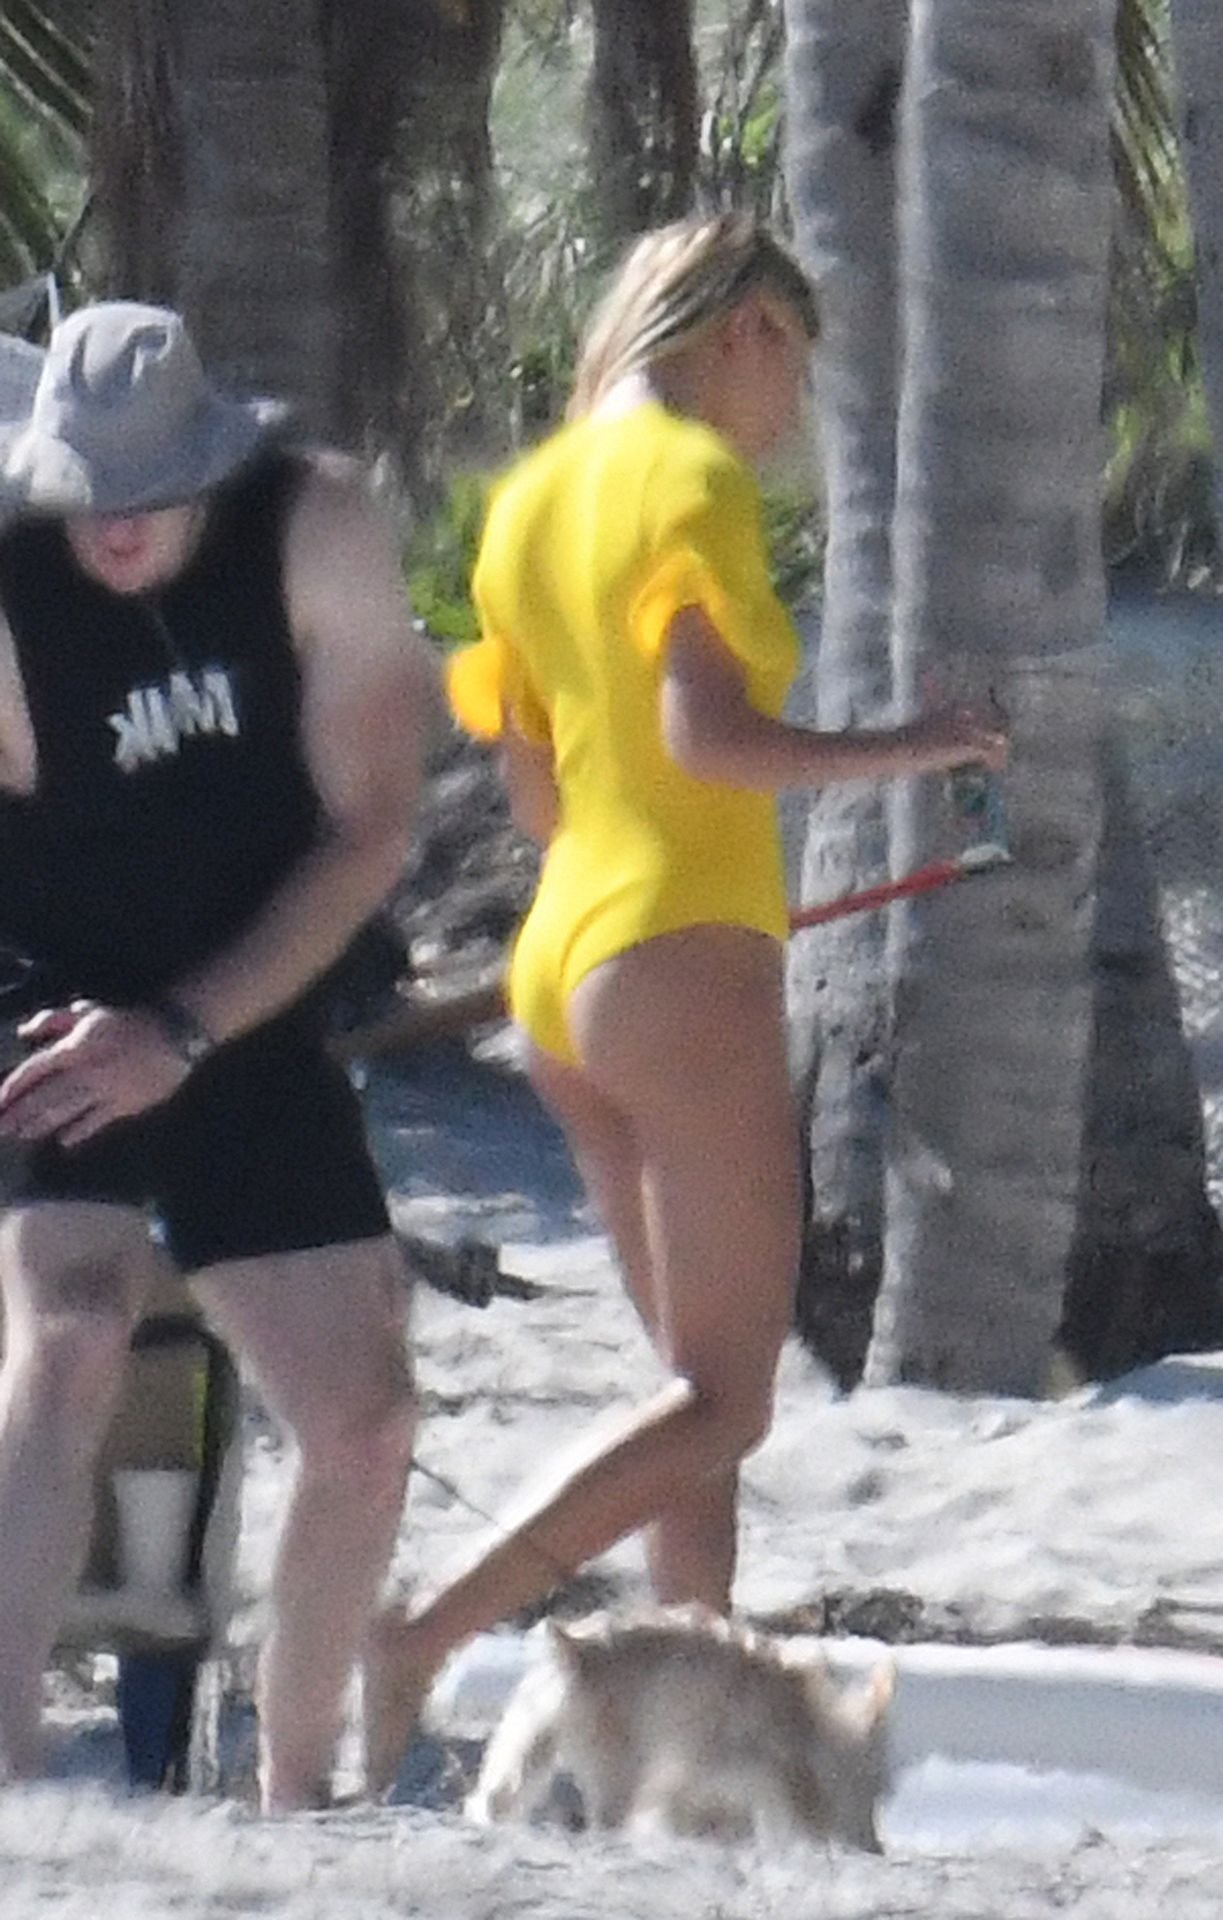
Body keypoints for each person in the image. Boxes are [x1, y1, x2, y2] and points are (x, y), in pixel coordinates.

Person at [364, 211, 1007, 1794]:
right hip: (677, 955)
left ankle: (687, 1743)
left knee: (684, 1410)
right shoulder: (693, 483)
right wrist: (919, 748)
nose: (785, 422)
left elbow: (535, 797)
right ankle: (424, 1634)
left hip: (564, 961)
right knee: (725, 1402)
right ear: (747, 333)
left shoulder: (530, 501)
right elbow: (710, 738)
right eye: (793, 373)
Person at [0, 302, 436, 1809]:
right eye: (83, 497)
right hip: (51, 981)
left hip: (245, 982)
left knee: (367, 1423)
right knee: (74, 1329)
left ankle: (295, 1794)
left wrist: (187, 1031)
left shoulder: (315, 530)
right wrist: (118, 1039)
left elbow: (371, 830)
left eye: (147, 494)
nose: (112, 530)